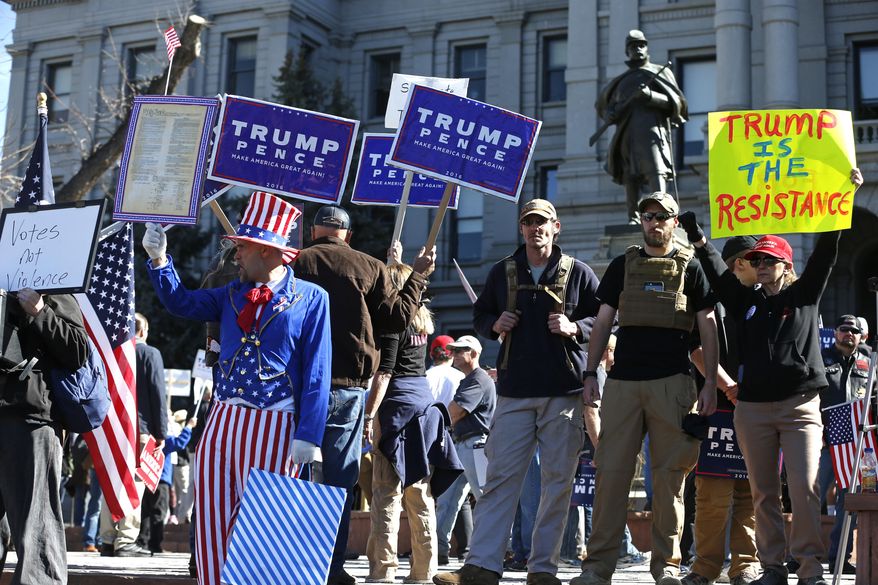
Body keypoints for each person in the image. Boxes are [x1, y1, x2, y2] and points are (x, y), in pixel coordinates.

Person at [678, 167, 862, 585]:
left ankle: (811, 567)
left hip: (800, 408)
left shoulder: (804, 295)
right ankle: (773, 568)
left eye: (768, 260)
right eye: (756, 260)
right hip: (753, 409)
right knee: (764, 494)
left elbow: (826, 253)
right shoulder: (745, 301)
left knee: (805, 489)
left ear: (785, 266)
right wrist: (698, 237)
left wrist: (844, 196)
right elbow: (718, 274)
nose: (760, 265)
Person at [142, 191, 331, 585]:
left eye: (242, 247)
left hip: (276, 425)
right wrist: (160, 261)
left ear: (267, 251)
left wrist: (309, 435)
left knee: (267, 528)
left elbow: (317, 372)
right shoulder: (230, 294)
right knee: (210, 519)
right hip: (223, 420)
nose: (235, 255)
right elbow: (182, 303)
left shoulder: (312, 299)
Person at [434, 198, 601, 585]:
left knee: (557, 485)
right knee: (499, 481)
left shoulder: (579, 272)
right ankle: (481, 566)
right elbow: (480, 317)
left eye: (542, 222)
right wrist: (495, 323)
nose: (535, 228)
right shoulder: (501, 271)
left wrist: (576, 327)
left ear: (556, 226)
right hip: (514, 393)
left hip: (564, 392)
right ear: (521, 229)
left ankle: (543, 570)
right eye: (528, 222)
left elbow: (607, 319)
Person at [575, 192, 718, 585]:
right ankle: (598, 567)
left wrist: (709, 384)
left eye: (662, 216)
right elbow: (602, 322)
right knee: (610, 475)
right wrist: (590, 374)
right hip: (622, 384)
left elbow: (707, 325)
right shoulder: (623, 264)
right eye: (647, 216)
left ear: (675, 221)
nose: (654, 222)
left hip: (673, 383)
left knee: (671, 478)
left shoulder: (691, 267)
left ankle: (667, 567)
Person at [294, 204, 436, 585]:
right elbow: (396, 319)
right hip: (346, 387)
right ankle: (330, 567)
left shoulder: (294, 262)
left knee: (294, 477)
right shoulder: (369, 267)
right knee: (339, 482)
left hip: (295, 388)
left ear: (313, 232)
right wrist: (417, 277)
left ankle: (293, 561)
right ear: (348, 236)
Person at [363, 262, 461, 584]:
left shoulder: (393, 324)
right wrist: (399, 259)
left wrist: (367, 415)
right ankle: (424, 571)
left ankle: (382, 571)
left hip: (395, 409)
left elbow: (385, 372)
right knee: (420, 493)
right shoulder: (422, 323)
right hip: (424, 408)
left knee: (385, 494)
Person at [683, 236, 761, 585]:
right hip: (719, 408)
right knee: (713, 497)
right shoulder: (710, 299)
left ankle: (745, 566)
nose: (761, 265)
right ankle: (705, 568)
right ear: (734, 264)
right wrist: (729, 386)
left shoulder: (766, 299)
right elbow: (695, 349)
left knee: (751, 495)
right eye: (752, 259)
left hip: (758, 410)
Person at [0, 287, 89, 584]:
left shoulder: (51, 283)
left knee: (36, 529)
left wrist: (40, 311)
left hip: (30, 420)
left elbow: (78, 350)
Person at [595, 29, 687, 222]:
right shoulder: (620, 82)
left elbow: (677, 103)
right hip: (627, 135)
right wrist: (611, 113)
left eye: (641, 45)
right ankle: (634, 217)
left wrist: (650, 96)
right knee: (630, 176)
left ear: (646, 48)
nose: (638, 49)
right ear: (627, 51)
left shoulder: (659, 72)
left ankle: (663, 212)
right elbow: (605, 108)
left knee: (656, 170)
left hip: (652, 132)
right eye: (633, 46)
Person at [435, 335, 497, 566]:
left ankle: (496, 551)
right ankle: (439, 550)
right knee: (447, 500)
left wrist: (432, 426)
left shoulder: (477, 379)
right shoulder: (471, 379)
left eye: (460, 350)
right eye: (453, 350)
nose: (454, 354)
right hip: (465, 445)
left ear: (474, 354)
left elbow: (455, 411)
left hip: (475, 445)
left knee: (486, 500)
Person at [818, 315, 871, 574]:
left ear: (862, 336)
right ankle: (800, 556)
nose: (848, 333)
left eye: (854, 330)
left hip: (855, 445)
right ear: (835, 333)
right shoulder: (818, 358)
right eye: (843, 329)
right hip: (823, 441)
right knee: (809, 498)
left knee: (846, 503)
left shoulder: (870, 363)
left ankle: (840, 558)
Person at [138, 412, 197, 554]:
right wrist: (189, 426)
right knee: (158, 512)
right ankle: (155, 545)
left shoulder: (149, 438)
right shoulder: (162, 440)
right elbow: (180, 442)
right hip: (161, 480)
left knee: (146, 512)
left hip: (148, 479)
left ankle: (143, 542)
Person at [427, 335, 465, 406]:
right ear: (452, 354)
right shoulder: (462, 377)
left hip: (429, 416)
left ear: (430, 355)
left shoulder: (423, 377)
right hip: (453, 416)